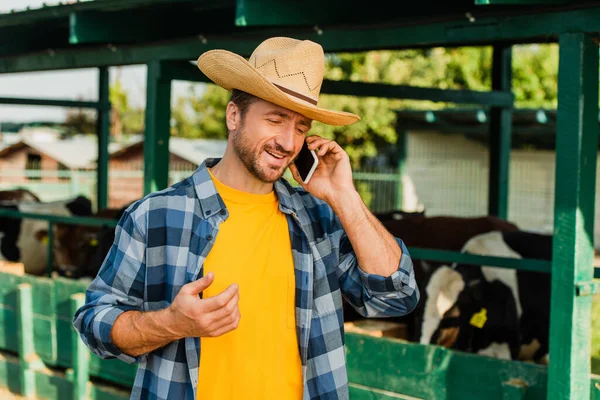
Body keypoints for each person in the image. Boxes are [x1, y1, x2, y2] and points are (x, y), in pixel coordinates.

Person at [73, 36, 419, 400]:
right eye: (275, 119)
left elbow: (394, 297)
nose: (288, 142)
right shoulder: (156, 216)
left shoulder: (319, 218)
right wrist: (170, 323)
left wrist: (344, 197)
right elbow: (94, 322)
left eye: (301, 127)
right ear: (233, 115)